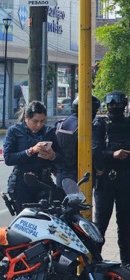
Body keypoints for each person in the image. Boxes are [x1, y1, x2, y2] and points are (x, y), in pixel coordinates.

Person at [3, 101, 62, 213]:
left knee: (48, 218)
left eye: (42, 121)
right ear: (26, 117)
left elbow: (61, 158)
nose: (39, 125)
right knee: (26, 221)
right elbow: (8, 158)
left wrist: (52, 156)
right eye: (35, 121)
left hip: (44, 181)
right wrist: (31, 151)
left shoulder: (48, 132)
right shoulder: (15, 131)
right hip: (22, 182)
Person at [93, 90, 130, 267]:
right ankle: (94, 261)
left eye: (118, 105)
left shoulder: (128, 124)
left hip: (126, 179)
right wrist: (112, 155)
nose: (115, 108)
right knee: (100, 225)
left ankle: (127, 263)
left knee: (126, 225)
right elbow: (94, 151)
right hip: (106, 180)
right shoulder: (100, 125)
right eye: (112, 105)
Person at [54, 96, 105, 194]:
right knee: (80, 207)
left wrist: (54, 169)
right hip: (79, 174)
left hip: (61, 173)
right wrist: (99, 168)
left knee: (62, 205)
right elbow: (94, 150)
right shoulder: (86, 127)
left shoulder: (60, 123)